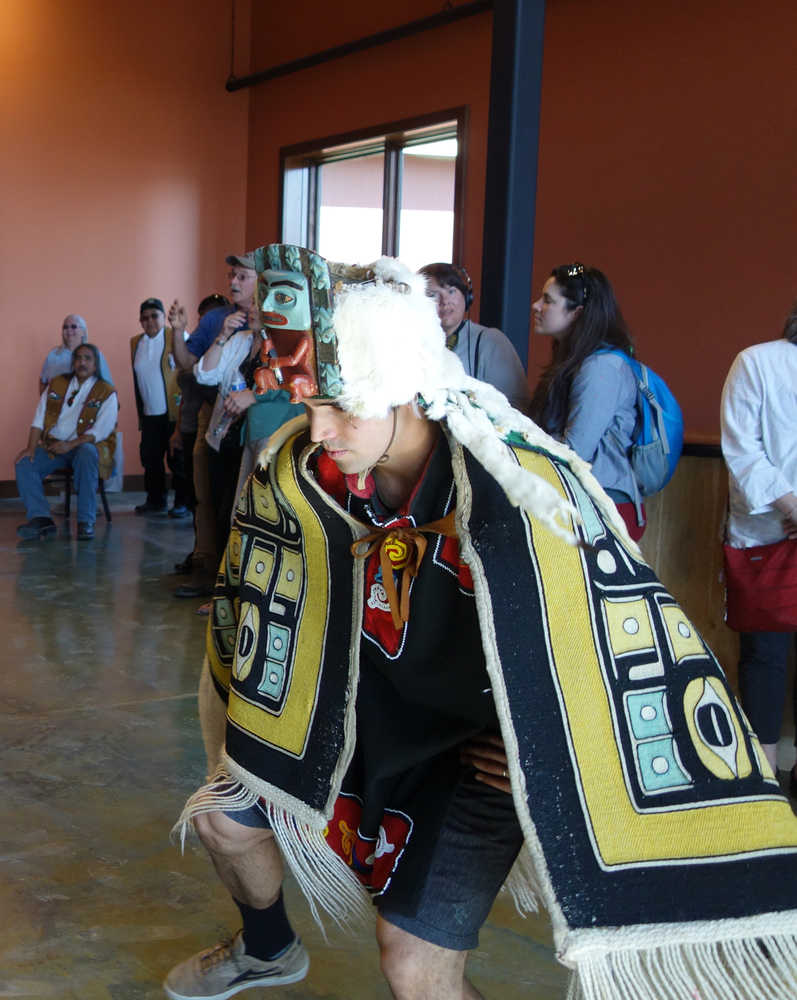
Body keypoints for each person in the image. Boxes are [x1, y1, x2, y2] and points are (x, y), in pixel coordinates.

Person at [164, 245, 797, 1000]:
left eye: (341, 403)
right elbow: (258, 605)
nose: (320, 427)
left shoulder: (524, 486)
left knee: (412, 962)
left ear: (403, 386)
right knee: (224, 819)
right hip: (351, 714)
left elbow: (626, 640)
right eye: (309, 404)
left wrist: (545, 736)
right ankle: (268, 948)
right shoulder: (299, 471)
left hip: (482, 750)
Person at [720, 298, 797, 785]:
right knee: (764, 656)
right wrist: (791, 505)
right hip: (767, 534)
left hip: (771, 527)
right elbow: (740, 445)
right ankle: (764, 775)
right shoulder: (758, 361)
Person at [529, 262, 645, 540]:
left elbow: (575, 450)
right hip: (584, 501)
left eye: (548, 300)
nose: (536, 306)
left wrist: (521, 439)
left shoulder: (601, 367)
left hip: (605, 506)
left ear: (577, 313)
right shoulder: (579, 363)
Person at [169, 255, 257, 600]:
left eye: (242, 276)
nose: (233, 282)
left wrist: (256, 397)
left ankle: (233, 585)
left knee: (236, 509)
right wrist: (189, 331)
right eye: (231, 275)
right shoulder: (224, 322)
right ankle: (213, 574)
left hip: (252, 433)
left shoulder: (278, 334)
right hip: (219, 423)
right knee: (212, 500)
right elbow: (194, 369)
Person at [16, 343, 118, 540]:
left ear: (96, 365)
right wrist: (30, 448)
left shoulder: (106, 392)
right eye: (78, 358)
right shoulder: (57, 384)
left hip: (84, 448)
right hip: (54, 446)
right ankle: (41, 520)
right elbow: (38, 419)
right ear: (73, 363)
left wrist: (70, 445)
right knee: (24, 463)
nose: (82, 362)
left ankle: (85, 521)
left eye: (87, 358)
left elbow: (100, 432)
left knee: (87, 453)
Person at [419, 262, 531, 413]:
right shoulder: (414, 343)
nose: (445, 301)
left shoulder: (491, 341)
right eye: (433, 295)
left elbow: (517, 406)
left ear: (467, 297)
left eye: (451, 291)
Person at [130, 298, 190, 517]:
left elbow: (188, 367)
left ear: (163, 317)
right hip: (149, 414)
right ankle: (155, 500)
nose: (149, 321)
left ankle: (183, 502)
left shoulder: (175, 336)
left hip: (174, 412)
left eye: (154, 315)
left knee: (177, 460)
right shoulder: (136, 343)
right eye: (144, 317)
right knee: (150, 458)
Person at [39, 314, 112, 394]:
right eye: (65, 327)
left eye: (73, 327)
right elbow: (43, 383)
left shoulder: (94, 354)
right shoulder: (53, 355)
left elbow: (107, 384)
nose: (69, 330)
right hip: (58, 403)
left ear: (83, 332)